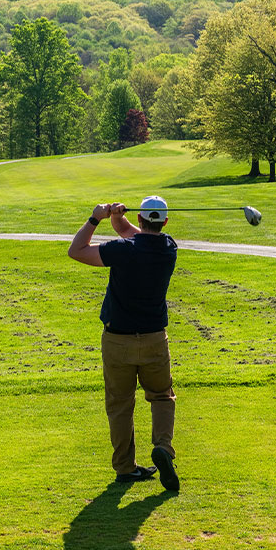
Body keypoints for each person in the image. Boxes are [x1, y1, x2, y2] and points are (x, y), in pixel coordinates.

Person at [67, 195, 181, 491]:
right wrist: (117, 218)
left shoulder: (121, 251)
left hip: (117, 340)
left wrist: (95, 219)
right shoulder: (169, 248)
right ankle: (164, 449)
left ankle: (126, 468)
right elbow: (131, 234)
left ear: (141, 219)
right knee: (161, 396)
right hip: (155, 338)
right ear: (165, 222)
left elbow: (76, 251)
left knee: (120, 403)